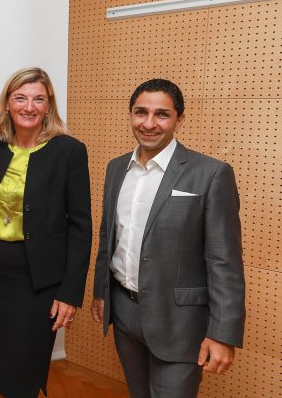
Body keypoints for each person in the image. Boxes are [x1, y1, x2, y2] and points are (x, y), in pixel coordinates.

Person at [90, 78, 246, 398]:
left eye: (162, 114)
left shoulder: (211, 173)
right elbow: (110, 236)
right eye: (140, 112)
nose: (149, 123)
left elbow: (223, 259)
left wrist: (223, 334)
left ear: (180, 119)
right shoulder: (117, 167)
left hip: (179, 322)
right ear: (130, 114)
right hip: (124, 310)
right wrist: (101, 292)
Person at [0, 67, 92, 398]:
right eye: (21, 98)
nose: (29, 106)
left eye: (38, 99)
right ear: (8, 103)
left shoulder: (69, 150)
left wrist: (70, 292)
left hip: (40, 280)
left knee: (26, 365)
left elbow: (80, 226)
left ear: (48, 105)